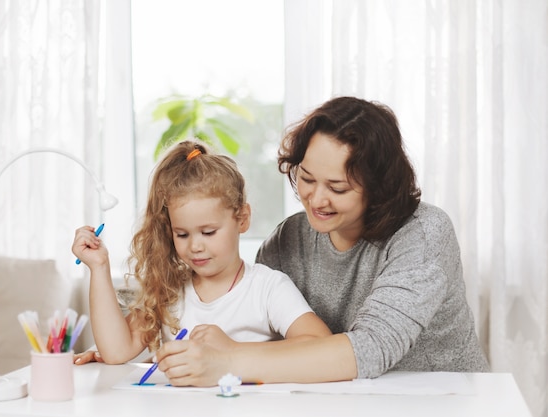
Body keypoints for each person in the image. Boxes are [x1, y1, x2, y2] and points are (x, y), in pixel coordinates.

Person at [154, 96, 490, 386]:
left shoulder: (424, 234)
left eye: (338, 188)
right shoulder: (289, 239)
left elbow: (370, 350)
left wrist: (227, 362)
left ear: (379, 188)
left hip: (446, 401)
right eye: (307, 178)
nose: (316, 200)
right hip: (345, 401)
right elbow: (258, 332)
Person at [71, 140, 331, 366]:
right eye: (182, 234)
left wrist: (232, 351)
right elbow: (117, 351)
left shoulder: (268, 288)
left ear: (242, 218)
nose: (195, 246)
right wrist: (99, 266)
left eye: (208, 232)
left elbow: (321, 346)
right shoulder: (168, 291)